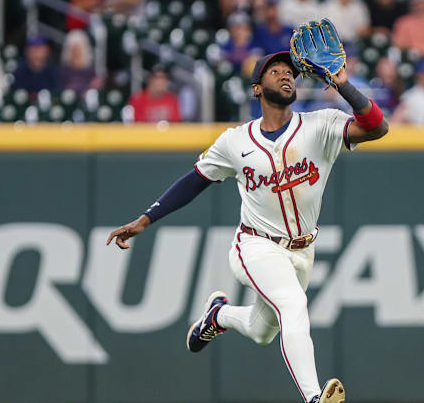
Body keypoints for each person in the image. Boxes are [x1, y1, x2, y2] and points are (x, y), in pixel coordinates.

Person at [106, 48, 389, 402]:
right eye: (275, 71)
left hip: (303, 250)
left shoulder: (321, 125)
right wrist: (146, 219)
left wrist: (344, 85)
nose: (286, 75)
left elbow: (378, 127)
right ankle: (315, 397)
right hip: (255, 245)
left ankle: (218, 316)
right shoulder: (235, 141)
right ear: (256, 88)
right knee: (293, 306)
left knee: (262, 331)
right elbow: (195, 181)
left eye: (290, 71)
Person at [60, 30, 103, 95]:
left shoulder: (91, 71)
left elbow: (95, 89)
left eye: (79, 49)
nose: (76, 52)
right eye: (74, 49)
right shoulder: (63, 71)